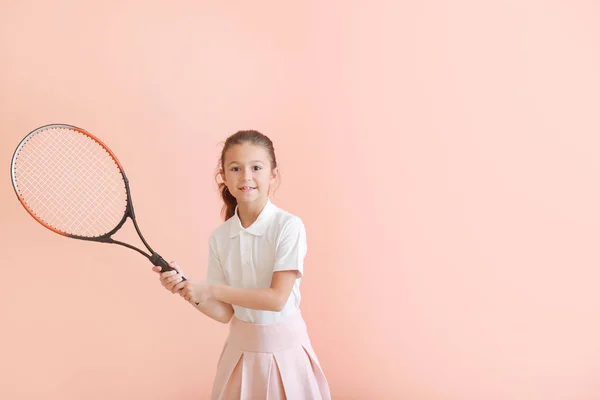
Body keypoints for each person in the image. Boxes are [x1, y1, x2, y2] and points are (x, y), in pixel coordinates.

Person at [153, 130, 331, 399]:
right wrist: (185, 290)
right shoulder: (220, 237)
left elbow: (276, 299)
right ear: (223, 176)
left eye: (256, 167)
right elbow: (224, 313)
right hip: (239, 357)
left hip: (287, 355)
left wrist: (210, 290)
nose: (246, 176)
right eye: (235, 168)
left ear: (273, 174)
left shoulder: (288, 226)